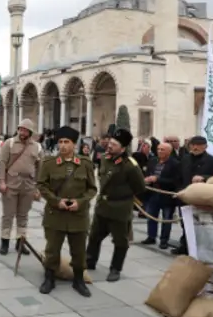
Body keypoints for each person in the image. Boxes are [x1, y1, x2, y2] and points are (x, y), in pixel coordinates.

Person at [37, 126, 97, 297]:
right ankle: (49, 278)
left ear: (74, 145)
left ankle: (78, 280)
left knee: (78, 251)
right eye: (60, 142)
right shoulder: (49, 163)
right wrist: (56, 202)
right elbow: (41, 185)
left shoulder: (85, 164)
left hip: (78, 216)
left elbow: (92, 189)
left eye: (67, 142)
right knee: (52, 249)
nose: (63, 146)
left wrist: (80, 202)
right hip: (56, 215)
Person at [85, 128, 146, 282]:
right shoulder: (105, 158)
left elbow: (140, 187)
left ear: (123, 148)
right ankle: (89, 261)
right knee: (94, 236)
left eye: (114, 144)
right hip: (102, 206)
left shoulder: (130, 165)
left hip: (119, 209)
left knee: (120, 242)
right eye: (110, 143)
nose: (109, 146)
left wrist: (123, 195)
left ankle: (115, 269)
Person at [0, 119, 42, 256]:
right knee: (8, 215)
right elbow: (2, 163)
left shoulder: (37, 147)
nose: (22, 132)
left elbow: (40, 168)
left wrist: (37, 186)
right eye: (20, 129)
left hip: (27, 184)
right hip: (11, 183)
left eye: (25, 130)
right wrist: (2, 181)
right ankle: (5, 242)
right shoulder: (9, 144)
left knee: (23, 216)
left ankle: (20, 243)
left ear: (30, 132)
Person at [174, 136, 213, 255]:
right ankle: (185, 245)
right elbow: (179, 177)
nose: (195, 147)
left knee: (200, 224)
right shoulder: (185, 159)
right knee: (185, 223)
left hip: (201, 198)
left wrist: (204, 178)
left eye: (199, 145)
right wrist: (179, 190)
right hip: (185, 196)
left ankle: (198, 248)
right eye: (193, 145)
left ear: (205, 146)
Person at [140, 142, 180, 249]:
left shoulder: (175, 164)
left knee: (166, 219)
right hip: (153, 193)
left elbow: (175, 181)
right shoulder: (153, 161)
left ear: (169, 151)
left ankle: (164, 240)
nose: (160, 151)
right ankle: (151, 236)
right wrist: (147, 179)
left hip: (166, 195)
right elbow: (147, 173)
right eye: (158, 149)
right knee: (151, 216)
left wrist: (158, 179)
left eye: (162, 149)